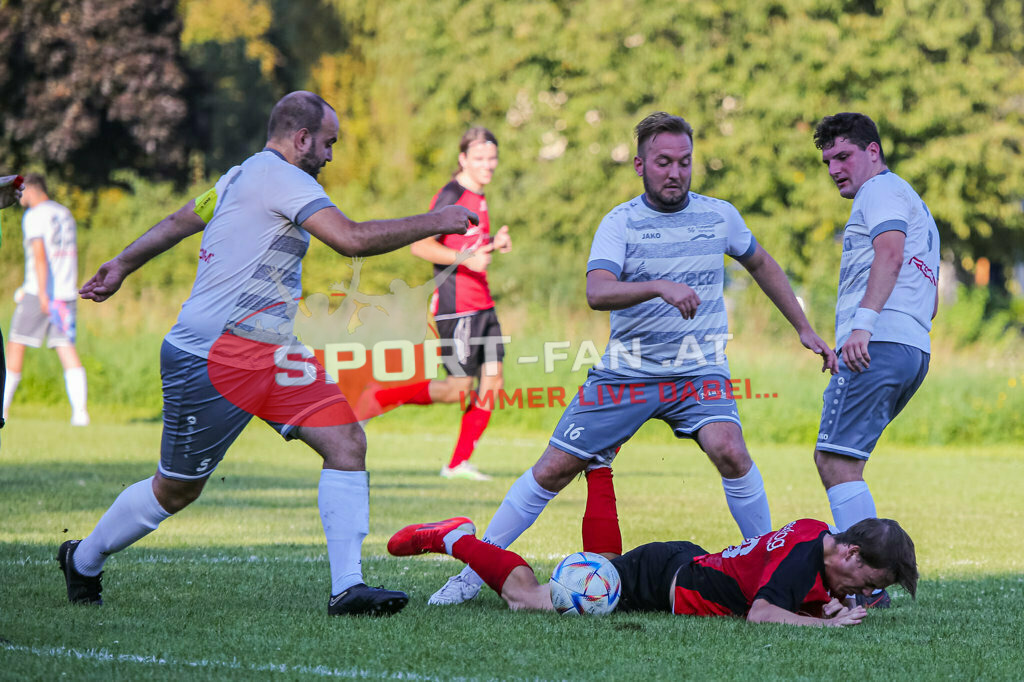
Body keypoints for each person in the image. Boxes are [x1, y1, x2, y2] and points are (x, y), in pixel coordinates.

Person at [58, 91, 478, 617]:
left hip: (275, 354)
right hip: (212, 357)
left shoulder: (238, 176)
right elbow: (350, 239)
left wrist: (122, 264)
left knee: (347, 442)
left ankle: (348, 588)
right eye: (327, 143)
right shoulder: (280, 178)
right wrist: (436, 220)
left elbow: (179, 219)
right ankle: (83, 559)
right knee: (177, 489)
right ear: (301, 139)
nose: (330, 156)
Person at [427, 112, 838, 605]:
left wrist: (803, 327)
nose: (676, 172)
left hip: (698, 369)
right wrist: (658, 287)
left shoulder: (720, 215)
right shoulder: (619, 222)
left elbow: (762, 263)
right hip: (627, 372)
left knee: (730, 449)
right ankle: (474, 571)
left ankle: (769, 568)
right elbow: (597, 292)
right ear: (640, 165)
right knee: (553, 469)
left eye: (684, 162)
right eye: (664, 162)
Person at [811, 113, 939, 607]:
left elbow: (889, 253)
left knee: (836, 460)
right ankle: (871, 582)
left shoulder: (879, 191)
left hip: (879, 342)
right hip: (911, 347)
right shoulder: (914, 201)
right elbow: (930, 298)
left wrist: (862, 326)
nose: (834, 169)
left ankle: (867, 585)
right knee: (845, 459)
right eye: (828, 161)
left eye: (843, 156)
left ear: (873, 151)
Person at [388, 514, 917, 626]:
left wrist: (828, 604)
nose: (861, 593)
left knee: (599, 570)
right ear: (851, 554)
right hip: (659, 579)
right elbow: (761, 613)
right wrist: (823, 624)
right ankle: (453, 538)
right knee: (529, 599)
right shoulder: (803, 559)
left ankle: (600, 469)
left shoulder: (815, 532)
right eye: (867, 584)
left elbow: (789, 585)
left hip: (681, 562)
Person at [363, 127, 511, 481]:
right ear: (463, 159)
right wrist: (469, 259)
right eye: (479, 158)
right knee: (458, 389)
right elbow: (421, 246)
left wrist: (493, 242)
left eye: (492, 158)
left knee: (493, 382)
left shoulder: (480, 194)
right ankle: (375, 399)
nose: (488, 165)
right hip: (456, 306)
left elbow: (466, 243)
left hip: (483, 304)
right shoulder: (452, 195)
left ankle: (458, 464)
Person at [4, 173, 89, 426]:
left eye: (22, 191)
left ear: (31, 189)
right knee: (65, 347)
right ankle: (80, 413)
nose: (20, 197)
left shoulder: (34, 215)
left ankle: (3, 408)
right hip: (65, 292)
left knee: (15, 345)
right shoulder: (64, 213)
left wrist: (42, 294)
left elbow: (40, 255)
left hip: (40, 292)